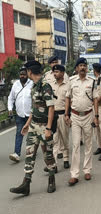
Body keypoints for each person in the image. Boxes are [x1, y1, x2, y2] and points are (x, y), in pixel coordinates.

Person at [10, 60, 56, 196]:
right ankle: (26, 183)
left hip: (43, 126)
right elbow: (34, 107)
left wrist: (48, 128)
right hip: (33, 126)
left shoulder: (45, 86)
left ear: (30, 72)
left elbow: (51, 107)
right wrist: (27, 123)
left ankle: (52, 179)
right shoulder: (34, 86)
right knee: (30, 153)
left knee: (48, 154)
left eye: (27, 71)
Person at [65, 57, 99, 186]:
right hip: (75, 116)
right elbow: (68, 97)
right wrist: (66, 113)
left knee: (89, 143)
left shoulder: (92, 81)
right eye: (80, 65)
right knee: (75, 145)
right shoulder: (71, 81)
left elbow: (95, 99)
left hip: (88, 115)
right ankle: (74, 174)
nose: (82, 67)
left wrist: (96, 116)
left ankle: (87, 170)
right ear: (76, 68)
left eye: (84, 65)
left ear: (87, 68)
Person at [8, 67, 33, 162]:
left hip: (31, 115)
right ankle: (16, 154)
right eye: (21, 74)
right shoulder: (16, 85)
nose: (22, 76)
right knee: (19, 133)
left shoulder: (31, 84)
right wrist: (10, 109)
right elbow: (11, 98)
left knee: (32, 134)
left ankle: (32, 151)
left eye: (24, 74)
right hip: (20, 115)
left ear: (27, 75)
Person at [51, 65, 70, 170]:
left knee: (65, 138)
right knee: (54, 140)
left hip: (63, 115)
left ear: (62, 73)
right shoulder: (51, 86)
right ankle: (54, 164)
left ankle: (66, 159)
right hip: (53, 115)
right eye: (54, 72)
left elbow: (68, 101)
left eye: (57, 72)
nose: (55, 74)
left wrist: (67, 114)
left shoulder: (68, 86)